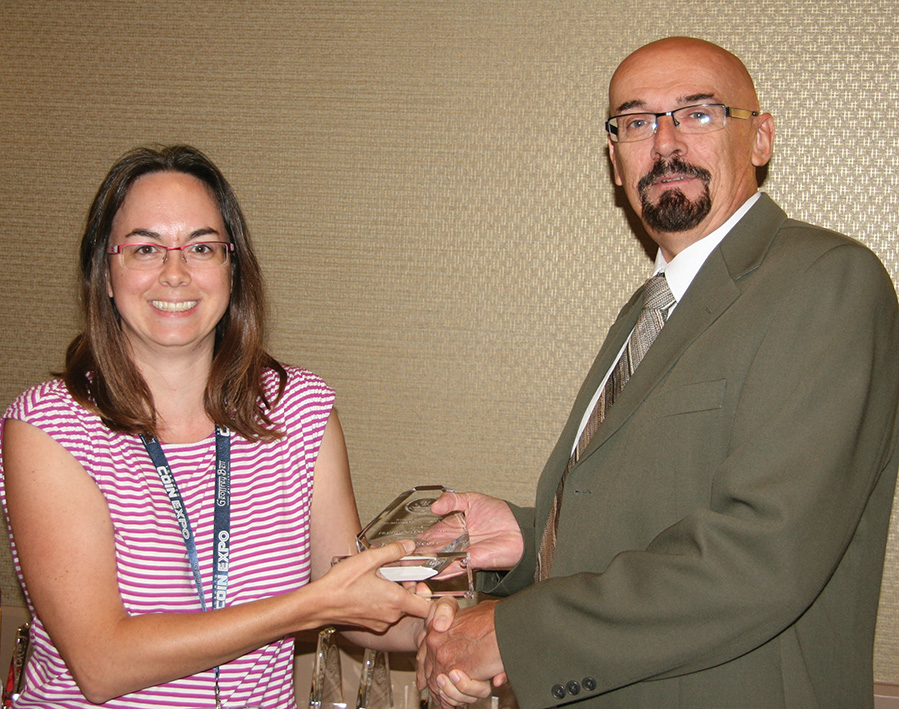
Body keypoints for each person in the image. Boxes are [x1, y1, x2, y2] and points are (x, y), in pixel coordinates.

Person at [417, 37, 899, 708]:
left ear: (759, 138)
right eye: (636, 121)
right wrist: (528, 539)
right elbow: (656, 511)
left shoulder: (826, 282)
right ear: (614, 159)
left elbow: (760, 556)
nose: (664, 142)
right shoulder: (649, 309)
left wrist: (515, 632)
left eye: (697, 113)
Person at [0, 145, 430, 708]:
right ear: (104, 273)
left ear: (233, 269)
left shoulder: (301, 410)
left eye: (201, 247)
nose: (175, 273)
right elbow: (102, 663)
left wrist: (441, 627)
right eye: (146, 248)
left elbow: (359, 610)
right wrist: (309, 606)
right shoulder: (46, 428)